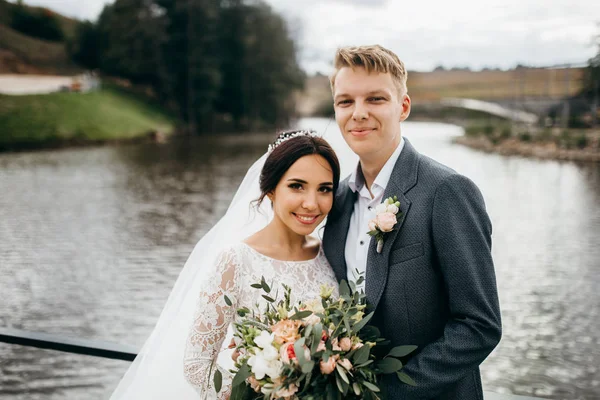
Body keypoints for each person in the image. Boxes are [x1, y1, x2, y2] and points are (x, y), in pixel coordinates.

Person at [322, 45, 502, 400]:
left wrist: (388, 392)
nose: (358, 114)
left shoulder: (447, 191)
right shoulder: (337, 201)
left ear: (403, 107)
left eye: (375, 99)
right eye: (345, 102)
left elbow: (479, 326)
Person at [110, 131, 341, 399]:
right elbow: (197, 366)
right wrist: (260, 394)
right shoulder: (236, 261)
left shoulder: (329, 252)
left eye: (324, 189)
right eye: (297, 186)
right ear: (270, 189)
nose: (311, 203)